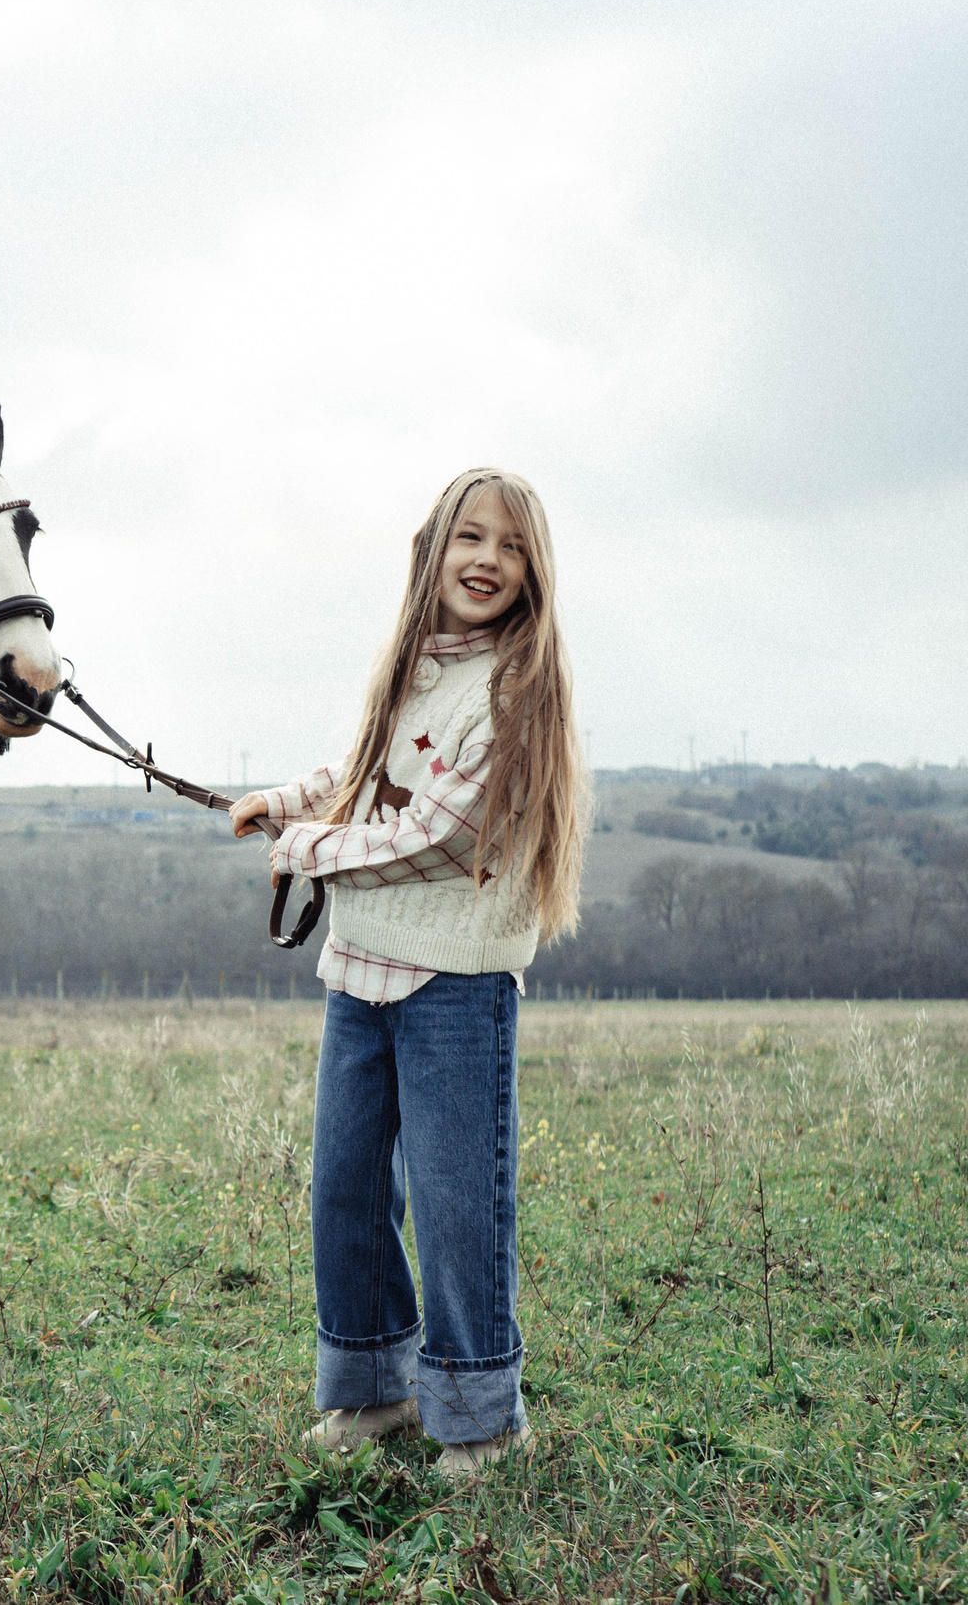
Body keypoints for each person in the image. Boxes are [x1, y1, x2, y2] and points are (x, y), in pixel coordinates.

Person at [228, 469, 588, 1480]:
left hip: (454, 988)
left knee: (455, 1200)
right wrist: (281, 799)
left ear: (532, 571)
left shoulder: (515, 686)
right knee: (344, 1189)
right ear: (432, 550)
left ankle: (479, 1416)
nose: (485, 560)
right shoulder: (412, 667)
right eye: (468, 538)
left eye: (508, 546)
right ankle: (372, 1391)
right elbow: (367, 780)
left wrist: (302, 849)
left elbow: (440, 834)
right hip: (360, 975)